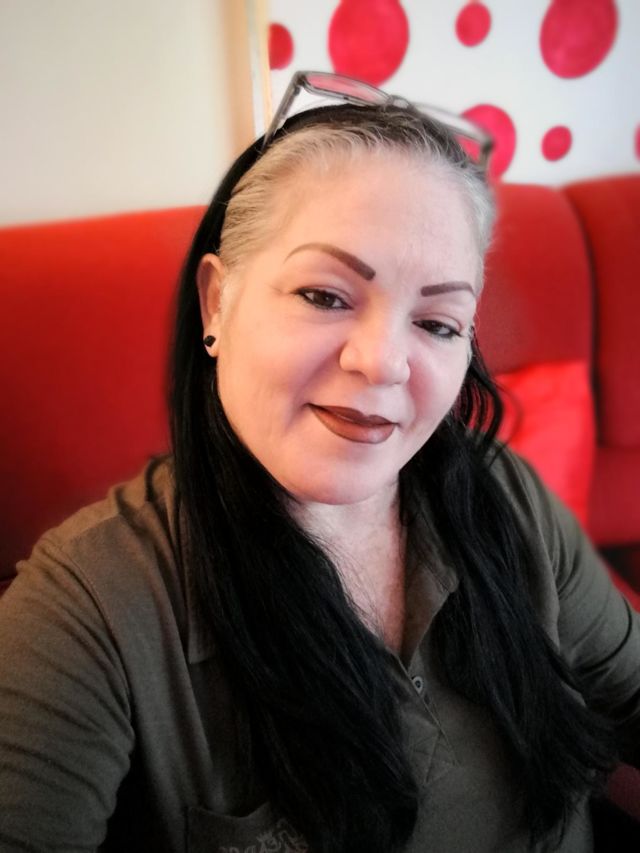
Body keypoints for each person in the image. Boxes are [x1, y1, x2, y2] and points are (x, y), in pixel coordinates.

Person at [0, 70, 639, 853]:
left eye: (438, 323)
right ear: (217, 301)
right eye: (325, 295)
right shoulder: (91, 607)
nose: (383, 361)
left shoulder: (504, 495)